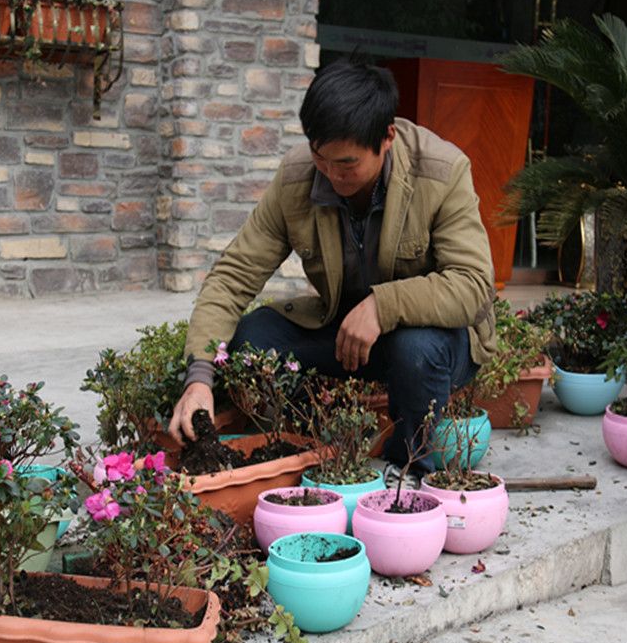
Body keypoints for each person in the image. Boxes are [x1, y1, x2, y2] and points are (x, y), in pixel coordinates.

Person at [168, 59, 496, 486]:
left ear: (387, 138)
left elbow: (474, 286)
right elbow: (233, 277)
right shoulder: (298, 178)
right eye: (320, 157)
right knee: (253, 340)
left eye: (347, 163)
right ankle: (313, 443)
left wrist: (382, 306)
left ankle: (407, 470)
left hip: (431, 341)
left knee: (415, 349)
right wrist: (199, 378)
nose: (331, 174)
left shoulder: (441, 172)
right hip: (346, 336)